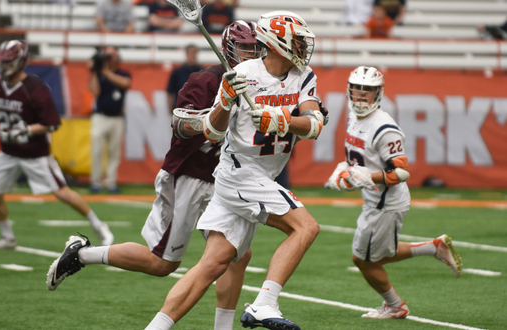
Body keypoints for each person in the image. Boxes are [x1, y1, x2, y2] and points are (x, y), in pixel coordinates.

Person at [46, 21, 263, 330]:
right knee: (162, 264)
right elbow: (180, 125)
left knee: (237, 254)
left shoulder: (257, 87)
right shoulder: (204, 81)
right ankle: (82, 254)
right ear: (228, 49)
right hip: (188, 175)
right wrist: (215, 116)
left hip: (222, 179)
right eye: (246, 49)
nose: (253, 56)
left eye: (257, 50)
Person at [143, 10, 327, 330]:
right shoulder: (244, 73)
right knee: (306, 227)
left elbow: (314, 125)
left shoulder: (303, 75)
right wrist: (225, 102)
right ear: (276, 42)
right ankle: (264, 303)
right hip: (239, 171)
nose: (302, 47)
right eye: (296, 41)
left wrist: (280, 120)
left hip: (261, 174)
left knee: (212, 264)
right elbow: (213, 133)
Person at [325, 66, 462, 319]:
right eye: (358, 88)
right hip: (377, 200)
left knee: (363, 260)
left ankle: (396, 306)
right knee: (379, 252)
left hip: (385, 203)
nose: (362, 94)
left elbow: (400, 173)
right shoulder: (354, 116)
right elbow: (362, 159)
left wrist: (363, 176)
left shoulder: (384, 127)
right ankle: (434, 247)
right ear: (349, 89)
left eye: (368, 90)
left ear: (378, 92)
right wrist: (347, 169)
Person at [0, 40, 114, 249]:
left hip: (35, 154)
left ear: (20, 61)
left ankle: (99, 225)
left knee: (62, 192)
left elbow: (52, 123)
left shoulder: (35, 87)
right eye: (2, 62)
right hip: (9, 152)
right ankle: (7, 237)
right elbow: (0, 112)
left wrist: (27, 130)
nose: (4, 66)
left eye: (8, 62)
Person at [88, 46, 132, 194]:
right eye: (107, 56)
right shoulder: (99, 74)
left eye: (112, 55)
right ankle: (95, 182)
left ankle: (111, 182)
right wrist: (95, 71)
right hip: (100, 116)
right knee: (97, 150)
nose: (109, 58)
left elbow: (125, 83)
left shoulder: (122, 73)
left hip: (117, 118)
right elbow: (95, 92)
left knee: (114, 152)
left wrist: (105, 71)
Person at [166, 44, 201, 110]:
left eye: (195, 53)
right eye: (191, 53)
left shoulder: (202, 72)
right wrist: (170, 110)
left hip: (198, 110)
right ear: (186, 54)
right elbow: (170, 92)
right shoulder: (177, 72)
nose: (193, 55)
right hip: (180, 109)